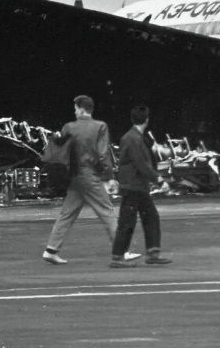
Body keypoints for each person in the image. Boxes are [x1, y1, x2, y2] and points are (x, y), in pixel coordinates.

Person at [41, 95, 140, 265]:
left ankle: (51, 250)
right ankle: (121, 251)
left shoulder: (68, 127)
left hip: (73, 176)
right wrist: (108, 177)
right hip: (89, 175)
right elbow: (102, 154)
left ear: (81, 109)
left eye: (75, 108)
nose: (74, 111)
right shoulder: (100, 126)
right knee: (106, 211)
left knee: (67, 213)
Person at [110, 106, 173, 268]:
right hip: (134, 186)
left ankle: (152, 253)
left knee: (150, 217)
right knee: (128, 222)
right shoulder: (134, 139)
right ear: (146, 120)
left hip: (137, 186)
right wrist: (159, 180)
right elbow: (141, 164)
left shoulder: (133, 137)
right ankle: (118, 257)